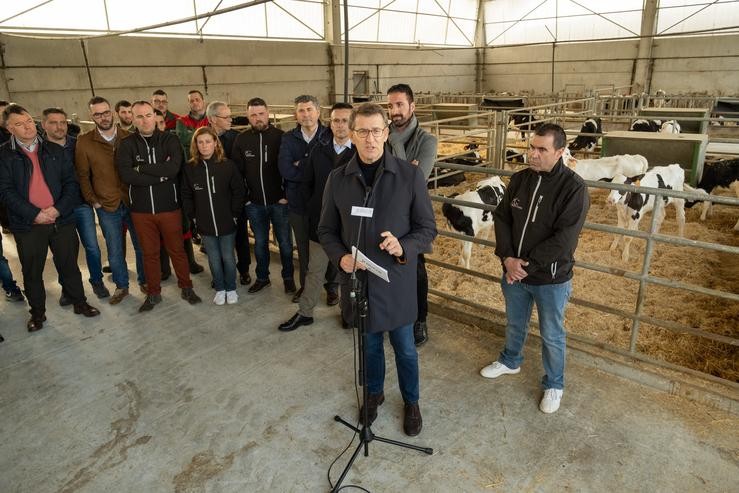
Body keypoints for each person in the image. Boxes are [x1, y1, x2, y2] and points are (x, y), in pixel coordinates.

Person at [318, 102, 437, 436]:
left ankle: (411, 402)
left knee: (405, 349)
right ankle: (374, 393)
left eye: (376, 131)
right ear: (350, 134)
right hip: (359, 280)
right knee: (369, 345)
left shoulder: (409, 176)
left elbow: (427, 229)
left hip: (395, 281)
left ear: (386, 133)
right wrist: (340, 257)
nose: (370, 139)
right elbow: (325, 230)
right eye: (362, 132)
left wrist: (404, 247)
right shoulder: (338, 179)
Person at [480, 123, 589, 414]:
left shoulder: (574, 189)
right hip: (513, 271)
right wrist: (506, 258)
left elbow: (565, 239)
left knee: (552, 333)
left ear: (560, 152)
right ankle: (510, 361)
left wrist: (525, 265)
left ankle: (554, 384)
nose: (534, 154)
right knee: (515, 322)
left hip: (551, 279)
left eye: (542, 149)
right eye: (532, 147)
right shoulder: (519, 179)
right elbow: (502, 218)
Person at [0, 103, 100, 331]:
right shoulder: (4, 155)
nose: (27, 127)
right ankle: (37, 314)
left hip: (61, 220)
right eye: (19, 124)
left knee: (70, 266)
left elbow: (71, 184)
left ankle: (80, 302)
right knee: (32, 271)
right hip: (28, 225)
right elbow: (5, 192)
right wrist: (35, 214)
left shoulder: (54, 150)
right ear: (8, 128)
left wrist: (57, 210)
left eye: (28, 121)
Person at [115, 100, 202, 312]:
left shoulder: (169, 140)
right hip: (142, 211)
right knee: (149, 253)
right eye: (139, 116)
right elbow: (126, 175)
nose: (144, 120)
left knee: (177, 251)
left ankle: (186, 287)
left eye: (148, 115)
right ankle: (153, 293)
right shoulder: (126, 145)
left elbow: (173, 169)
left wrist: (141, 169)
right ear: (132, 119)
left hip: (169, 208)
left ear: (155, 116)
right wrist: (160, 176)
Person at [279, 102, 355, 332]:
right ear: (329, 123)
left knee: (349, 272)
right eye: (335, 120)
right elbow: (306, 184)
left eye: (344, 120)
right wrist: (313, 211)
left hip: (351, 225)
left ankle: (349, 314)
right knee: (315, 269)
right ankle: (305, 312)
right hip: (323, 224)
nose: (340, 125)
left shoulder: (360, 153)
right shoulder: (318, 152)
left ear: (352, 123)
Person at [76, 96, 146, 305]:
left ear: (112, 112)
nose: (103, 117)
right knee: (115, 249)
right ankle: (122, 286)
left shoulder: (130, 137)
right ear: (92, 116)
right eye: (97, 114)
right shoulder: (85, 142)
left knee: (141, 245)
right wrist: (93, 201)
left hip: (133, 201)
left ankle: (144, 280)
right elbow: (82, 175)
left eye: (106, 112)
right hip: (106, 205)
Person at [386, 83, 438, 347]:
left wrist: (394, 144)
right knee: (387, 262)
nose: (394, 111)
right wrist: (407, 166)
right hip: (385, 211)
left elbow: (416, 179)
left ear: (412, 106)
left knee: (416, 268)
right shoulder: (380, 134)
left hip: (414, 215)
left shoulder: (427, 141)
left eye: (399, 105)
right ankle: (393, 313)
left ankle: (420, 319)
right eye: (391, 105)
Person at [41, 107, 110, 302]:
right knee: (64, 253)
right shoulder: (40, 150)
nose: (59, 127)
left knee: (92, 247)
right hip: (57, 209)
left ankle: (97, 281)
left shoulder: (78, 144)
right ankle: (68, 289)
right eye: (53, 122)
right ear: (44, 125)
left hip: (81, 205)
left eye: (63, 122)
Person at [279, 94, 337, 303]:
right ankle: (305, 286)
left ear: (318, 112)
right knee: (303, 247)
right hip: (299, 203)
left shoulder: (329, 135)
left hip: (325, 202)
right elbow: (285, 169)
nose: (305, 114)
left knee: (331, 244)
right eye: (301, 110)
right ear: (296, 114)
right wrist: (311, 169)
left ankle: (332, 287)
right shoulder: (288, 138)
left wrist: (301, 164)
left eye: (309, 109)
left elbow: (332, 168)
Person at [232, 97, 293, 294]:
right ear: (248, 117)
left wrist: (285, 195)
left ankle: (288, 277)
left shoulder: (282, 137)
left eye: (261, 114)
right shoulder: (241, 140)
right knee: (260, 244)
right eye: (253, 115)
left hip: (279, 203)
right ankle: (262, 277)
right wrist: (247, 198)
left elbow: (290, 170)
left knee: (284, 244)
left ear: (268, 114)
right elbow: (236, 174)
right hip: (255, 204)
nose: (258, 118)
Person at [182, 127, 245, 305]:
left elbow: (238, 191)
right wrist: (193, 216)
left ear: (215, 143)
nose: (204, 146)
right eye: (200, 142)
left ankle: (231, 288)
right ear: (195, 145)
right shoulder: (190, 168)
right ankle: (220, 288)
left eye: (208, 141)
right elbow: (186, 194)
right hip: (205, 222)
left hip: (227, 221)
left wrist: (234, 214)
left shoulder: (227, 165)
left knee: (228, 256)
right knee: (214, 258)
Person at [207, 101, 251, 283]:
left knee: (240, 234)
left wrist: (244, 196)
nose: (230, 120)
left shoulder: (236, 138)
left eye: (230, 116)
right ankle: (220, 272)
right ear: (212, 119)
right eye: (226, 117)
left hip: (235, 197)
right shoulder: (203, 139)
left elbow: (244, 170)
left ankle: (244, 270)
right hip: (213, 198)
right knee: (215, 238)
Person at [176, 89, 209, 159]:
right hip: (190, 160)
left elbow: (215, 138)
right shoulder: (181, 121)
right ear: (189, 103)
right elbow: (183, 140)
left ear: (203, 101)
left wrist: (192, 134)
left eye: (197, 100)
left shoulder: (211, 119)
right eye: (192, 101)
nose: (195, 103)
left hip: (210, 159)